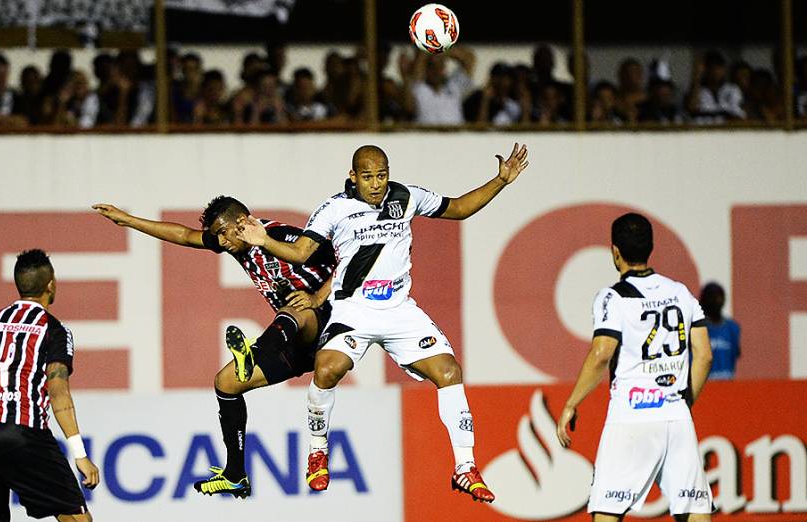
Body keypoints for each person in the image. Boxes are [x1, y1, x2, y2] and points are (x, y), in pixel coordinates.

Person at [237, 143, 530, 502]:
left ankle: (465, 467)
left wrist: (500, 181)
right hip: (353, 310)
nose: (376, 184)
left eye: (381, 175)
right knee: (327, 370)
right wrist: (263, 240)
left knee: (450, 372)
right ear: (353, 176)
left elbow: (458, 208)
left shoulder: (407, 196)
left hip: (399, 310)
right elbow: (301, 253)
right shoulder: (334, 209)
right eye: (367, 177)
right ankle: (317, 450)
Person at [92, 197, 336, 498]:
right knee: (226, 382)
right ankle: (235, 473)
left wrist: (319, 297)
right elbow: (183, 235)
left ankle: (254, 352)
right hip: (292, 339)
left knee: (294, 311)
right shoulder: (232, 240)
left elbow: (346, 255)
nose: (221, 242)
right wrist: (129, 220)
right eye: (217, 236)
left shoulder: (280, 234)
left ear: (244, 223)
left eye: (224, 233)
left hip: (327, 323)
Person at [555, 213, 714, 521]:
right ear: (651, 247)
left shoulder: (613, 298)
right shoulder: (680, 292)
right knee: (694, 510)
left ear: (615, 252)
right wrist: (682, 402)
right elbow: (704, 355)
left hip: (630, 416)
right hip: (676, 417)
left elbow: (602, 354)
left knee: (607, 511)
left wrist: (571, 404)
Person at [0, 249, 99, 522]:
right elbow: (58, 392)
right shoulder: (52, 329)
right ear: (51, 284)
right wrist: (80, 454)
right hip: (22, 432)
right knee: (75, 517)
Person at [699, 282, 741, 380]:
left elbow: (735, 354)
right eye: (711, 297)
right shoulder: (697, 328)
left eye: (719, 296)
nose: (716, 301)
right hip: (705, 386)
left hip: (727, 383)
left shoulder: (732, 328)